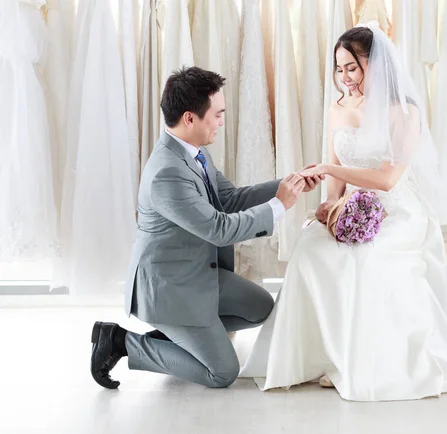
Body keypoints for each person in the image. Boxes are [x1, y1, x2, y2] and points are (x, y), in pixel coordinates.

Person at [240, 23, 447, 401]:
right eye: (339, 68)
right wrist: (329, 205)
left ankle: (361, 364)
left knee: (368, 258)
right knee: (310, 251)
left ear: (375, 65)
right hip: (351, 207)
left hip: (398, 210)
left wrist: (331, 171)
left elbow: (388, 180)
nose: (344, 77)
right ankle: (318, 357)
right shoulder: (337, 109)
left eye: (352, 67)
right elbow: (335, 180)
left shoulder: (404, 112)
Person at [90, 66, 323, 389]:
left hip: (197, 274)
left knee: (260, 308)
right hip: (168, 290)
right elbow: (219, 229)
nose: (221, 121)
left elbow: (228, 199)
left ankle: (187, 336)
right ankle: (120, 342)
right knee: (222, 373)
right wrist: (279, 206)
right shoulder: (167, 173)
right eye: (217, 114)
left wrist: (288, 184)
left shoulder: (193, 153)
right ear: (190, 118)